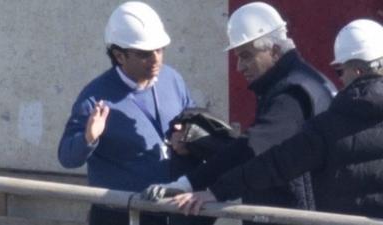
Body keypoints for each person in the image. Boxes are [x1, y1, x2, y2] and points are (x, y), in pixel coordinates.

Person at [143, 2, 337, 224]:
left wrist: (196, 186)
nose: (239, 67)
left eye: (246, 56)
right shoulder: (304, 83)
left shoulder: (292, 95)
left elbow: (253, 147)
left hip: (294, 215)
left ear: (273, 51)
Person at [172, 19, 383, 220]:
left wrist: (214, 192)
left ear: (356, 71)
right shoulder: (312, 89)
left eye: (340, 71)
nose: (341, 79)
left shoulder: (317, 116)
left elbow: (274, 163)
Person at [57, 1, 194, 225]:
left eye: (160, 50)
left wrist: (189, 136)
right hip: (119, 215)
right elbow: (67, 158)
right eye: (144, 54)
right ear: (119, 56)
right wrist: (88, 138)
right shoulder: (94, 98)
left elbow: (192, 119)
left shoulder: (172, 79)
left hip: (172, 210)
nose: (156, 59)